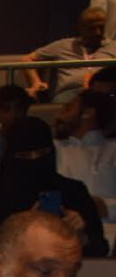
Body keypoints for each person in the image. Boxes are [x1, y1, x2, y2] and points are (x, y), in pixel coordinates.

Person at [0, 117, 107, 256]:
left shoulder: (74, 192)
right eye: (25, 156)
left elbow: (101, 252)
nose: (34, 161)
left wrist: (81, 237)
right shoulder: (0, 198)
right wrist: (22, 229)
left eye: (42, 153)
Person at [26, 7, 116, 103]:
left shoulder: (113, 46)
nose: (98, 32)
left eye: (101, 27)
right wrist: (36, 82)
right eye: (92, 28)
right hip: (69, 93)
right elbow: (28, 59)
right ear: (81, 28)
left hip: (104, 93)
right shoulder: (63, 45)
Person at [54, 90, 116, 221]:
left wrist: (105, 207)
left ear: (88, 113)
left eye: (69, 107)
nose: (61, 112)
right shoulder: (55, 148)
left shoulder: (113, 149)